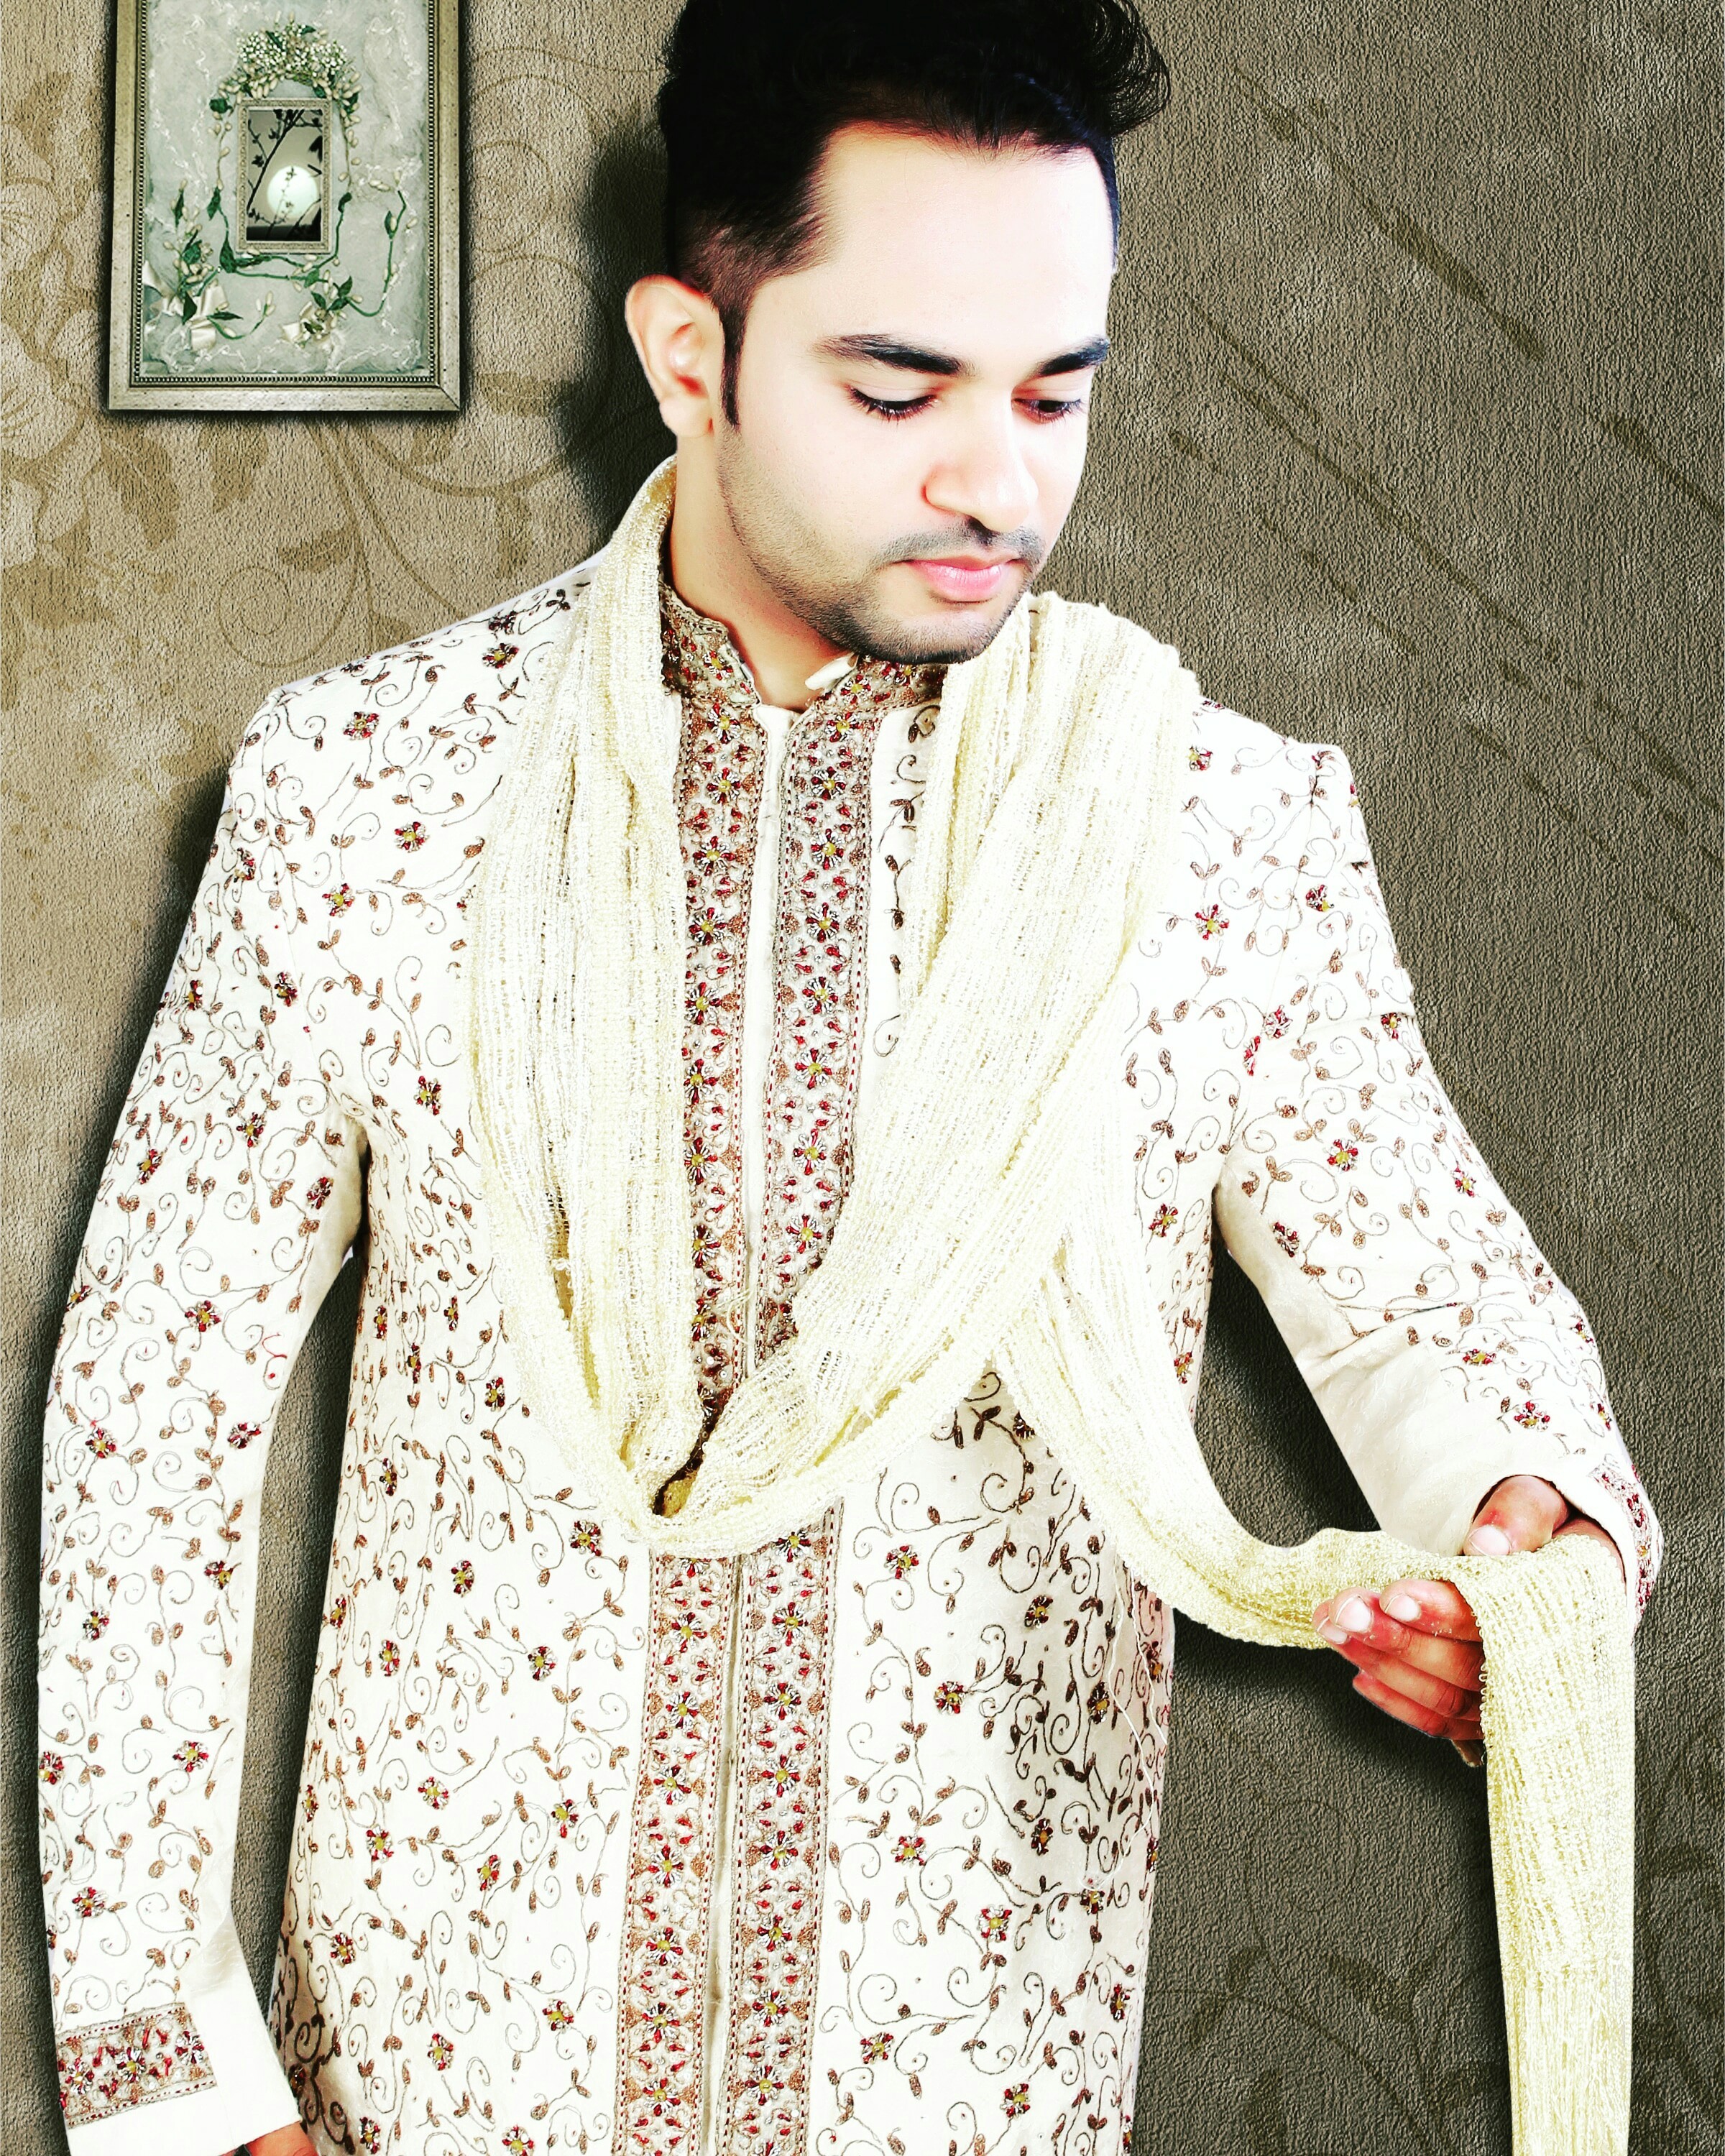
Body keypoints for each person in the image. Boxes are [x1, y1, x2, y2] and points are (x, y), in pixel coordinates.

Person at [36, 4, 1662, 2152]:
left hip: (972, 2088)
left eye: (1056, 391)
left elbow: (1434, 1311)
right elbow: (150, 1426)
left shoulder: (1202, 827)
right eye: (900, 390)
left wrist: (1518, 1544)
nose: (1002, 482)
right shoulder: (371, 790)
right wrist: (177, 2105)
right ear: (687, 359)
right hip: (431, 2089)